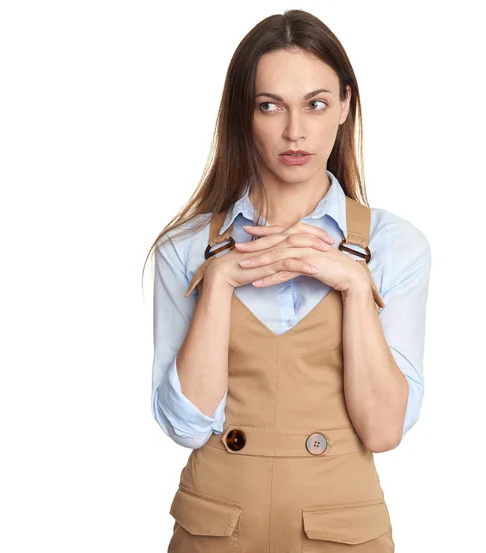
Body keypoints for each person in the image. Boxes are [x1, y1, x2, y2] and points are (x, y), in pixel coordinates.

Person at [142, 9, 431, 552]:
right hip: (215, 528)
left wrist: (353, 287)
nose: (294, 132)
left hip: (341, 531)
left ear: (345, 105)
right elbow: (184, 427)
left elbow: (384, 432)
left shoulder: (396, 247)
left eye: (316, 104)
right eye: (270, 106)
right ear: (243, 114)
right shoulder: (184, 249)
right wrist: (221, 281)